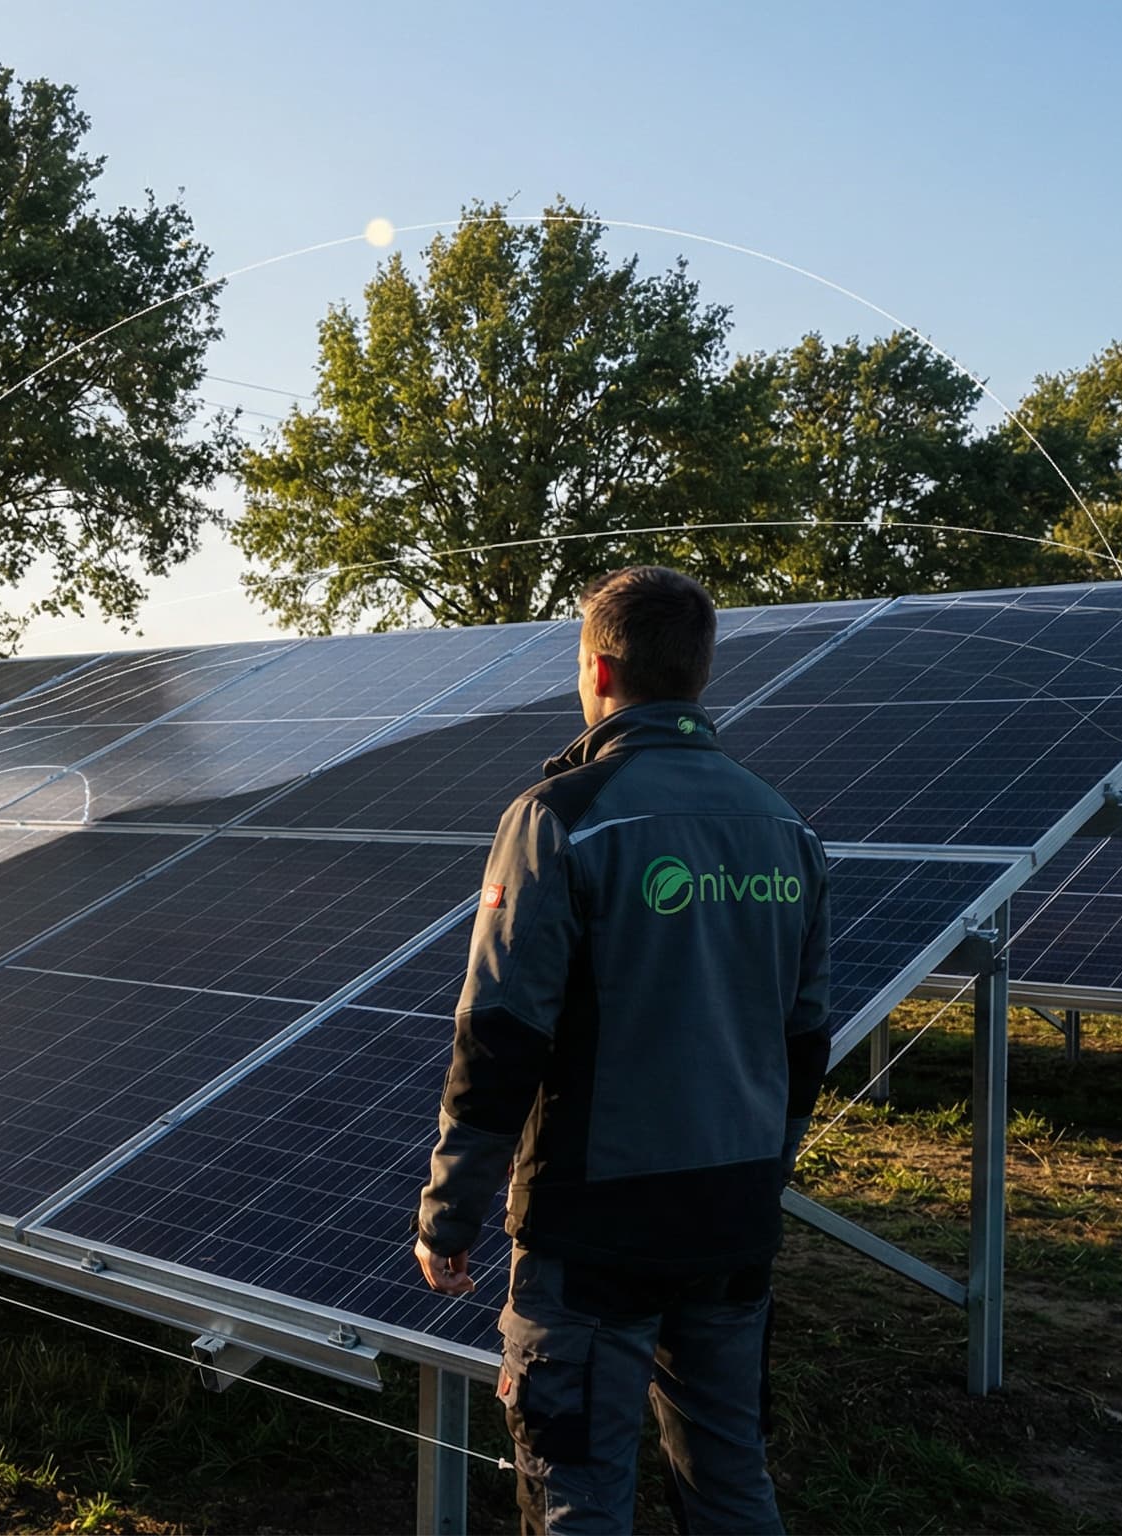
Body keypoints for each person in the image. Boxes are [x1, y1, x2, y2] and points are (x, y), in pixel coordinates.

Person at [413, 565, 831, 1535]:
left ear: (598, 670)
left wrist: (449, 1211)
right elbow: (805, 1037)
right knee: (732, 1483)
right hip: (733, 1216)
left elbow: (501, 1035)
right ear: (698, 673)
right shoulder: (785, 827)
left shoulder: (558, 817)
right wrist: (764, 1175)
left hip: (594, 1230)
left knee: (576, 1497)